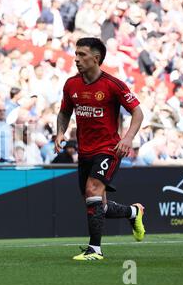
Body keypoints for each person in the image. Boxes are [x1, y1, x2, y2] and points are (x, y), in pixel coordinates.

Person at [55, 37, 145, 261]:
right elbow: (64, 112)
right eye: (76, 54)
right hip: (85, 152)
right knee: (97, 205)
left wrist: (127, 139)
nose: (76, 59)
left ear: (96, 59)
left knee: (93, 191)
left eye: (82, 55)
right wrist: (60, 132)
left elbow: (138, 112)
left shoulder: (112, 84)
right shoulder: (71, 84)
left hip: (108, 149)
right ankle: (134, 212)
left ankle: (94, 250)